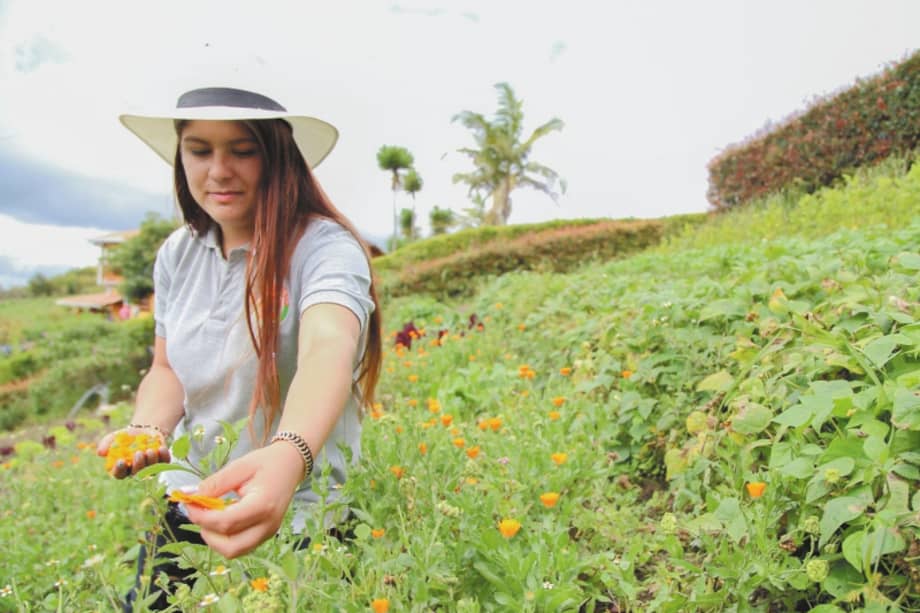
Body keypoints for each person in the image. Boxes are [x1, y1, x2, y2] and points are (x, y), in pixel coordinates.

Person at [96, 86, 382, 609]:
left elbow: (329, 348)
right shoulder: (177, 253)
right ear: (180, 157)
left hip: (301, 513)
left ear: (277, 156)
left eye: (243, 149)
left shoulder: (324, 249)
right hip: (190, 501)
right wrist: (147, 428)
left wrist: (288, 454)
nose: (219, 170)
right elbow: (166, 367)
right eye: (200, 150)